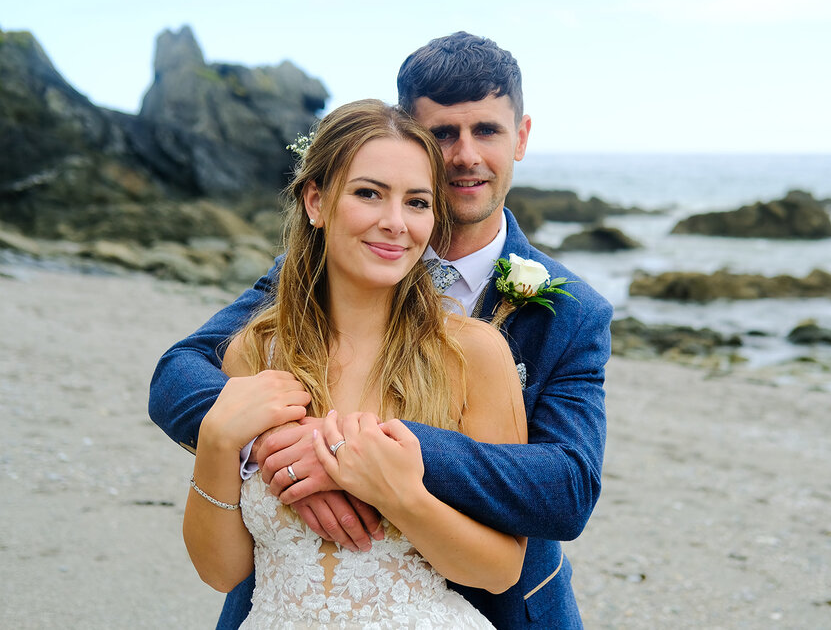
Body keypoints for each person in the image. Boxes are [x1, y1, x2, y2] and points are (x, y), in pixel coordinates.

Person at [150, 31, 613, 629]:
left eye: (488, 131)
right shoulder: (301, 289)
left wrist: (368, 455)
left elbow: (568, 487)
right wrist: (268, 442)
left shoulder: (568, 312)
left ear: (520, 137)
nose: (467, 155)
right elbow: (179, 372)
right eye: (444, 133)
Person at [184, 98, 527, 627]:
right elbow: (222, 572)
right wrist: (217, 440)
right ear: (316, 202)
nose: (395, 223)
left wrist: (400, 496)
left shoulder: (472, 354)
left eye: (417, 203)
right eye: (369, 194)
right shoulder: (256, 349)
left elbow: (501, 570)